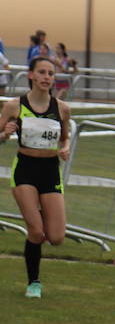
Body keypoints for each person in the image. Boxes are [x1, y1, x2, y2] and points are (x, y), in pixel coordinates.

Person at [1, 56, 71, 299]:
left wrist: (66, 148)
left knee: (56, 237)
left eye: (50, 74)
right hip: (25, 169)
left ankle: (39, 217)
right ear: (31, 75)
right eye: (41, 72)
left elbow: (65, 137)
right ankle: (34, 283)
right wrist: (5, 133)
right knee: (37, 233)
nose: (46, 77)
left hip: (50, 170)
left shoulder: (62, 108)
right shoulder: (14, 105)